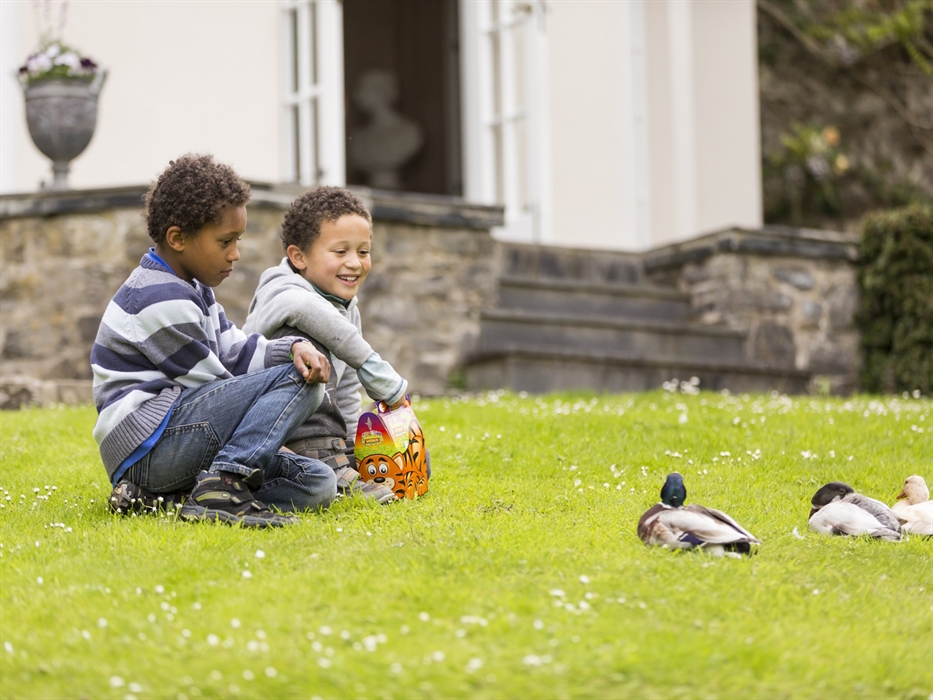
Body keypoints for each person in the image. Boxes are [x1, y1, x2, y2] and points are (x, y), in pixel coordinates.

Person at [90, 154, 337, 528]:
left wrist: (292, 347)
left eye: (237, 240)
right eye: (225, 241)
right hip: (149, 449)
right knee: (300, 381)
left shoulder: (192, 289)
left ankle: (164, 500)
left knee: (317, 483)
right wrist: (267, 434)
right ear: (178, 238)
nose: (235, 254)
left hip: (181, 442)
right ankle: (224, 487)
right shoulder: (157, 297)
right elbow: (215, 383)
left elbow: (235, 351)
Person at [243, 186, 426, 504]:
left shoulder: (344, 306)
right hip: (264, 429)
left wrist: (354, 447)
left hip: (316, 432)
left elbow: (346, 388)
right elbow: (307, 311)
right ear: (298, 257)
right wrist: (371, 365)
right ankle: (321, 457)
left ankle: (335, 458)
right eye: (340, 252)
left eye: (363, 251)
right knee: (305, 339)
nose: (354, 263)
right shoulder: (282, 289)